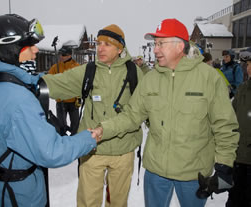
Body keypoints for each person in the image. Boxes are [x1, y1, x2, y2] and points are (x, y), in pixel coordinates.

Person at [90, 18, 239, 207]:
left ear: (179, 45)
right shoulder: (150, 79)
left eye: (160, 43)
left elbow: (224, 125)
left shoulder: (208, 78)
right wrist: (103, 129)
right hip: (156, 173)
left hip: (193, 174)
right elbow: (131, 115)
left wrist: (224, 164)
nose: (155, 49)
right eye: (154, 44)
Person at [0, 14, 97, 207]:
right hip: (18, 196)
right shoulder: (17, 99)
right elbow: (52, 152)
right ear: (10, 49)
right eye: (29, 45)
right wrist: (88, 138)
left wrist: (36, 80)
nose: (36, 50)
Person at [42, 24, 144, 206]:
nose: (100, 48)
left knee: (118, 202)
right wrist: (27, 82)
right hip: (91, 148)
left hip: (123, 149)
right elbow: (59, 83)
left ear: (120, 49)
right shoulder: (89, 70)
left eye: (107, 44)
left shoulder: (134, 72)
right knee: (88, 202)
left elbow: (142, 109)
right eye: (99, 43)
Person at [226, 48, 251, 207]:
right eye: (248, 64)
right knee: (235, 200)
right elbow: (231, 119)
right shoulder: (243, 89)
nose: (248, 68)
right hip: (239, 159)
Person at [48, 46, 80, 135]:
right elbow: (48, 79)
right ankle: (62, 139)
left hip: (73, 101)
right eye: (60, 54)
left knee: (75, 124)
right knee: (61, 125)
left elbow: (80, 83)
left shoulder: (77, 67)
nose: (61, 56)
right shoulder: (56, 67)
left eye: (64, 55)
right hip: (60, 100)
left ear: (69, 55)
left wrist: (79, 98)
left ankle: (74, 140)